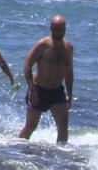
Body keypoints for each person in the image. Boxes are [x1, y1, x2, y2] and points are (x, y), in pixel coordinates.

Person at [19, 15, 74, 144]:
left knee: (63, 128)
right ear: (51, 28)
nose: (59, 32)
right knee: (30, 127)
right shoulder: (43, 45)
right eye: (56, 29)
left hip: (57, 92)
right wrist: (32, 89)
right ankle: (17, 149)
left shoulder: (69, 48)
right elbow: (27, 65)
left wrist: (70, 94)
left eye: (62, 29)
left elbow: (69, 72)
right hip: (39, 90)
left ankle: (61, 157)